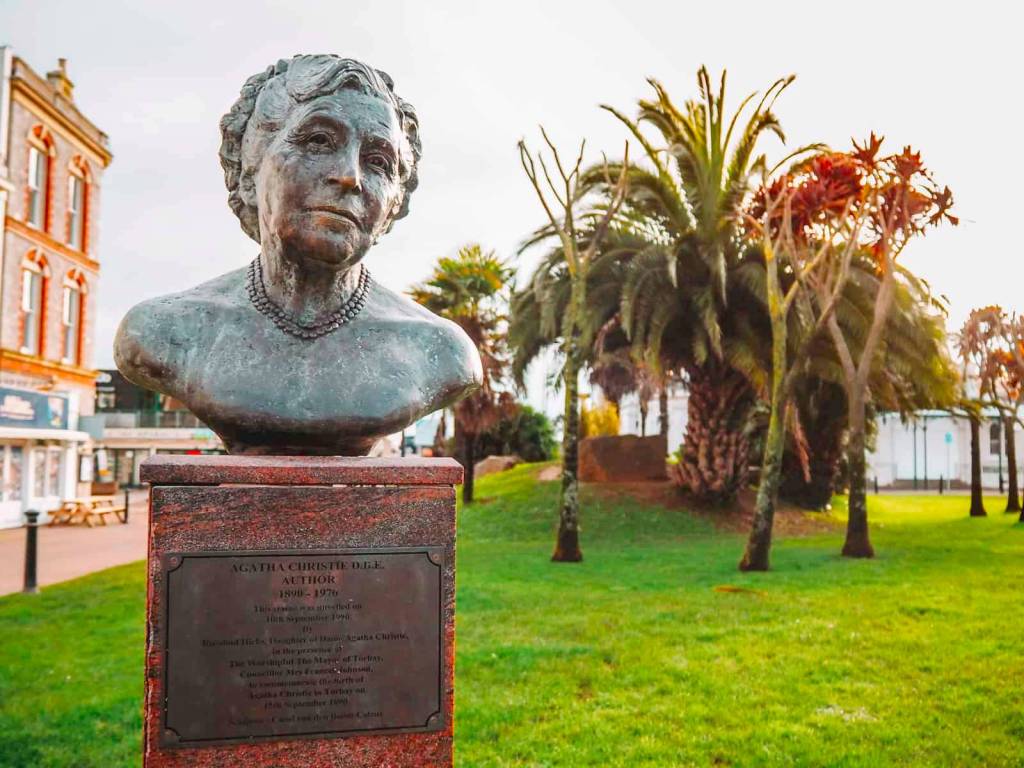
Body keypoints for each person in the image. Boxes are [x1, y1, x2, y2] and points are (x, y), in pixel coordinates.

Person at [114, 55, 481, 455]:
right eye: (318, 141)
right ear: (249, 171)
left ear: (394, 205)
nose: (350, 176)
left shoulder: (439, 352)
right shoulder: (161, 333)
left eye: (378, 161)